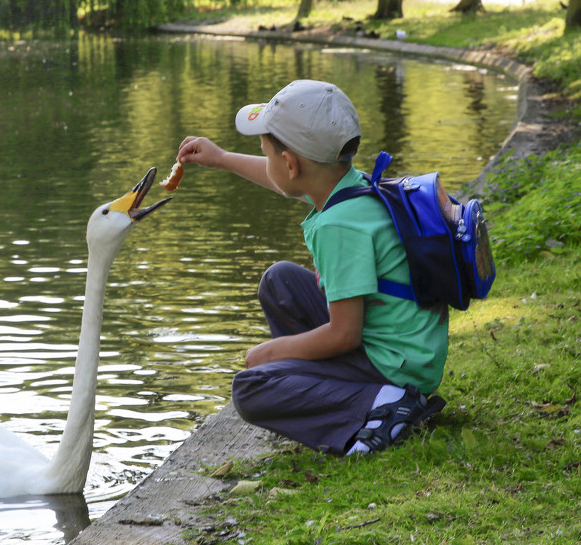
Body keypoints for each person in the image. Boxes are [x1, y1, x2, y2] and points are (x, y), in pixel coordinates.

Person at [177, 79, 447, 455]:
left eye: (266, 152)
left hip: (394, 365)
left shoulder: (338, 226)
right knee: (281, 281)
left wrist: (271, 353)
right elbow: (282, 180)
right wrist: (221, 158)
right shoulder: (352, 186)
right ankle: (348, 394)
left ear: (289, 163)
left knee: (251, 387)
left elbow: (344, 335)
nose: (267, 161)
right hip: (406, 347)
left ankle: (382, 405)